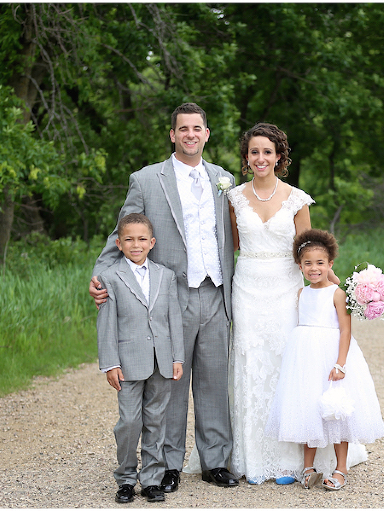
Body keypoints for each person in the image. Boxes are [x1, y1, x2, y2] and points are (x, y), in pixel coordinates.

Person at [185, 123, 367, 484]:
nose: (260, 158)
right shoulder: (233, 197)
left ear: (279, 156)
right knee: (250, 364)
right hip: (248, 288)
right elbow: (228, 245)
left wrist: (346, 291)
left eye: (267, 151)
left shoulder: (297, 199)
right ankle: (250, 459)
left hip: (286, 289)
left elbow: (310, 254)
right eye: (254, 152)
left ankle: (289, 460)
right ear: (246, 158)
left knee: (288, 365)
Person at [90, 103, 239, 492]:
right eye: (183, 129)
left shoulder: (223, 178)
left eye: (197, 128)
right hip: (169, 298)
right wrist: (100, 275)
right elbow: (121, 231)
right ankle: (169, 463)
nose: (190, 134)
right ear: (172, 135)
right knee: (171, 382)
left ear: (207, 134)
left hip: (217, 292)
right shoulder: (146, 180)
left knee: (213, 382)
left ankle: (215, 461)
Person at [265, 229, 384, 491]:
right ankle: (308, 468)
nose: (313, 268)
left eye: (320, 263)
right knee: (308, 408)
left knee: (336, 411)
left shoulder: (337, 293)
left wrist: (340, 363)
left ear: (330, 264)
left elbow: (345, 330)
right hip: (305, 357)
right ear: (300, 265)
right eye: (307, 263)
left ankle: (340, 467)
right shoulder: (301, 293)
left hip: (331, 356)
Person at [96, 213, 185, 503]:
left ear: (152, 242)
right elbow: (107, 324)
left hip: (161, 361)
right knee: (129, 422)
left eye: (142, 239)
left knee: (156, 421)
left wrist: (177, 358)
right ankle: (125, 478)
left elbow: (173, 319)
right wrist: (111, 363)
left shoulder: (165, 275)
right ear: (119, 244)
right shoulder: (110, 277)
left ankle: (151, 479)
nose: (136, 244)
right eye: (129, 240)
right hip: (128, 362)